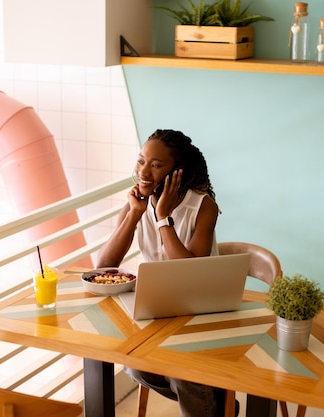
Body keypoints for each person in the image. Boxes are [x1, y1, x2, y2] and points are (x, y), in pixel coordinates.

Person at [97, 129, 233, 417]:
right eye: (141, 161)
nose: (143, 172)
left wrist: (162, 218)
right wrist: (135, 213)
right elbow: (103, 267)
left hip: (202, 310)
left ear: (177, 172)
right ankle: (217, 400)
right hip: (160, 310)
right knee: (134, 364)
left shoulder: (203, 206)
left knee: (184, 371)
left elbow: (189, 273)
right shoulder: (138, 201)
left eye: (156, 165)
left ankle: (207, 394)